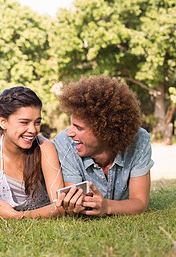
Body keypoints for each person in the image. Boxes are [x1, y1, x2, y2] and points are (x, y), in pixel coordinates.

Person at [0, 87, 65, 219]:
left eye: (37, 122)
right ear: (3, 122)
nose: (32, 130)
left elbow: (60, 205)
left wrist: (18, 216)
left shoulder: (44, 148)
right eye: (24, 122)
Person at [53, 75, 154, 216]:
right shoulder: (65, 143)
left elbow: (140, 203)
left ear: (105, 131)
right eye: (71, 124)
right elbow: (74, 206)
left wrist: (107, 207)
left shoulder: (139, 140)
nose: (70, 133)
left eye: (79, 128)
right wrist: (73, 206)